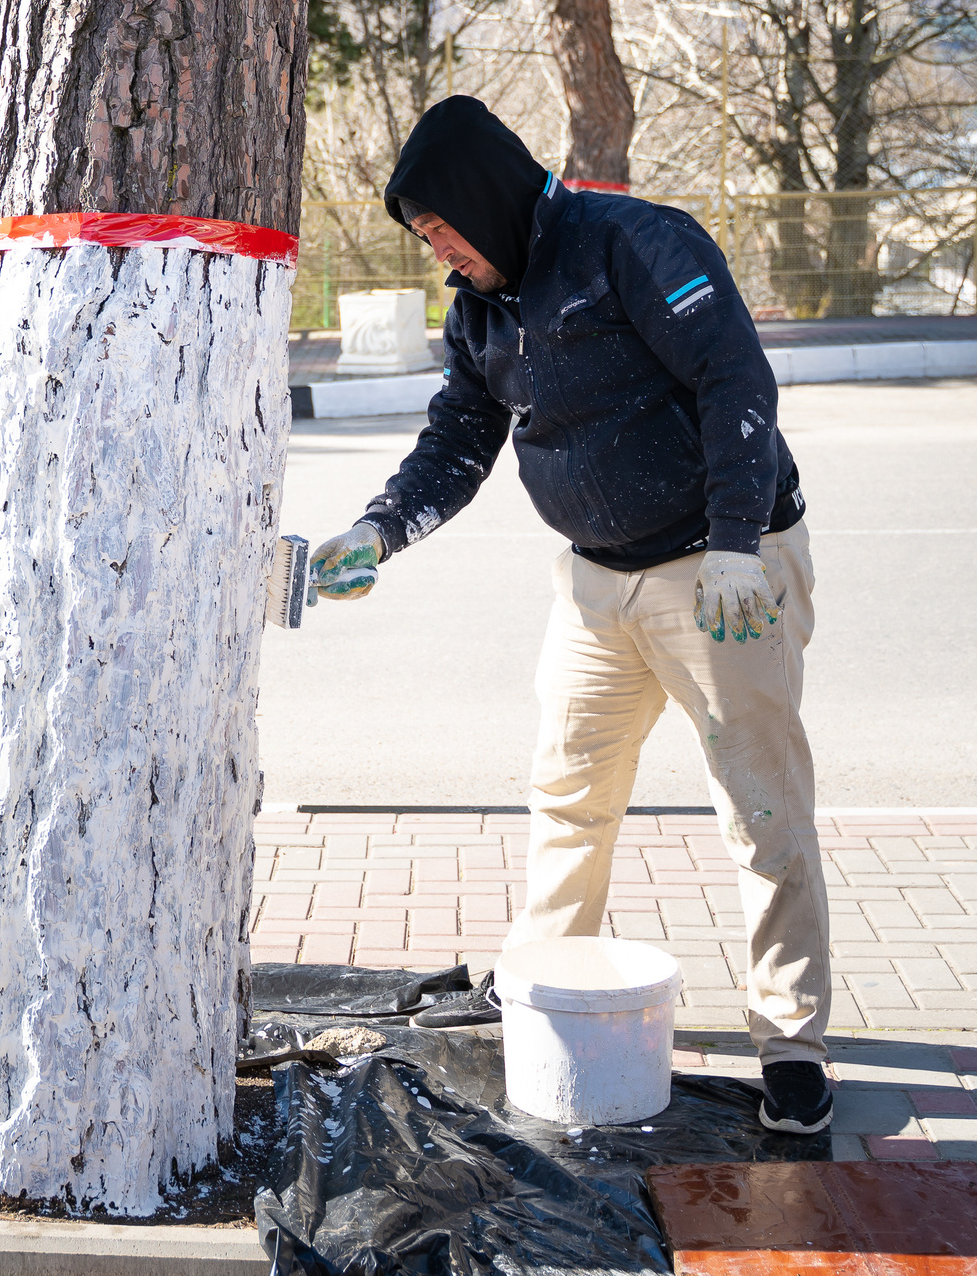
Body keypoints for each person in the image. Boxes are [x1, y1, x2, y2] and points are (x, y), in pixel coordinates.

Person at [308, 95, 832, 1135]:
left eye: (441, 229)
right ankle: (544, 982)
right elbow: (459, 435)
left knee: (760, 808)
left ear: (482, 197)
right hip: (597, 584)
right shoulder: (481, 304)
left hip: (720, 572)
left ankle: (793, 1041)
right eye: (424, 240)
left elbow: (735, 378)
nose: (439, 253)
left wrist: (736, 542)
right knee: (568, 792)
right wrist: (381, 527)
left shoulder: (633, 243)